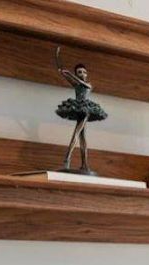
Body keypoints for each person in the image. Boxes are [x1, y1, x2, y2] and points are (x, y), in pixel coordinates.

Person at [54, 47, 107, 175]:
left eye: (83, 72)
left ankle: (67, 158)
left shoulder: (88, 84)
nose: (82, 74)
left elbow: (81, 83)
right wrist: (62, 72)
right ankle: (84, 164)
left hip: (86, 110)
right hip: (78, 109)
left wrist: (70, 74)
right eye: (79, 72)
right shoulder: (77, 85)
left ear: (86, 74)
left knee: (76, 134)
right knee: (82, 138)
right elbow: (71, 81)